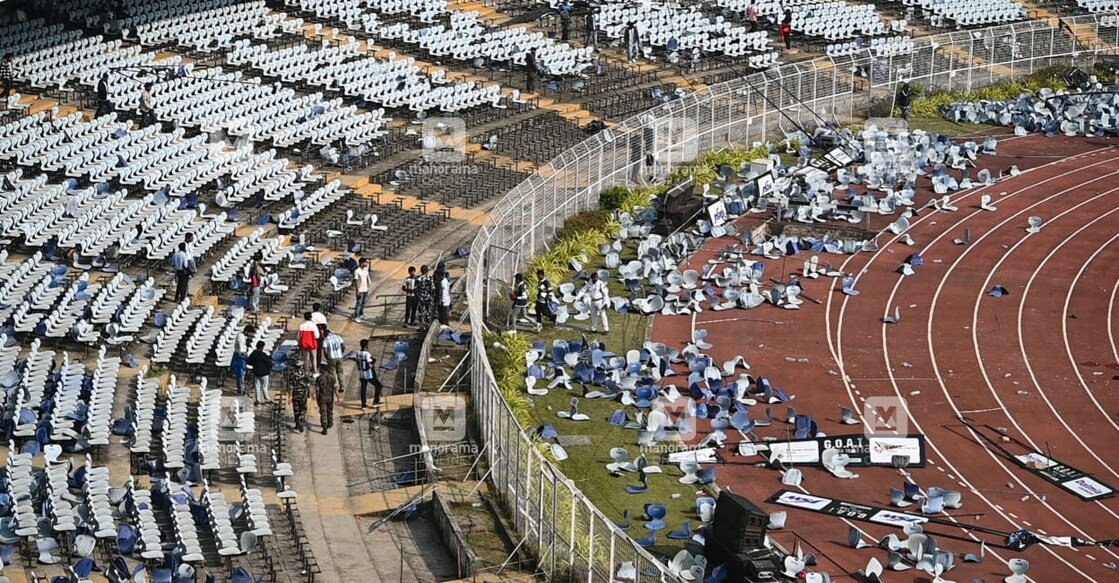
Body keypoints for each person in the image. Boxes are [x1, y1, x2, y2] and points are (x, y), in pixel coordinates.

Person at [356, 339, 384, 408]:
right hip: (368, 373)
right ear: (366, 346)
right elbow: (369, 365)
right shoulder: (367, 354)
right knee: (378, 386)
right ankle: (376, 401)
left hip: (362, 373)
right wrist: (372, 365)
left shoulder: (357, 353)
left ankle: (363, 404)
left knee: (363, 388)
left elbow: (357, 363)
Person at [288, 359, 312, 433]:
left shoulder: (292, 374)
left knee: (296, 410)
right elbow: (308, 385)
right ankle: (301, 422)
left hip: (295, 395)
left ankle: (297, 424)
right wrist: (309, 393)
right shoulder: (305, 374)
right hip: (303, 395)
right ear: (301, 366)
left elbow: (291, 387)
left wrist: (290, 396)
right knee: (303, 409)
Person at [232, 325, 255, 396]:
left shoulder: (242, 336)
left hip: (240, 356)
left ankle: (240, 389)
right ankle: (241, 389)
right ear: (246, 332)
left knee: (240, 374)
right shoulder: (240, 337)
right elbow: (242, 351)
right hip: (240, 357)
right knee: (241, 373)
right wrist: (248, 357)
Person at [297, 312, 321, 377]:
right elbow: (317, 336)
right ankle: (315, 372)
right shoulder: (313, 325)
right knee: (313, 358)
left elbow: (298, 337)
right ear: (311, 317)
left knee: (305, 359)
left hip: (304, 345)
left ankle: (306, 372)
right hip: (312, 344)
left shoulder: (301, 326)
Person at [316, 370, 337, 435]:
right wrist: (338, 397)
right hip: (330, 398)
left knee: (323, 413)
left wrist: (317, 397)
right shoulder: (332, 377)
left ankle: (324, 428)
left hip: (322, 398)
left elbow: (317, 390)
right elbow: (335, 388)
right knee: (330, 411)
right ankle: (330, 423)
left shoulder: (319, 378)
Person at [352, 257, 370, 321]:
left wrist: (368, 286)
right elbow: (356, 281)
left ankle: (361, 314)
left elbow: (367, 278)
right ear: (362, 263)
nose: (366, 263)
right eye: (365, 262)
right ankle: (356, 316)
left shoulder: (365, 269)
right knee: (359, 303)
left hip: (365, 288)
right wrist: (357, 290)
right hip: (360, 289)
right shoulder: (357, 271)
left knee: (363, 303)